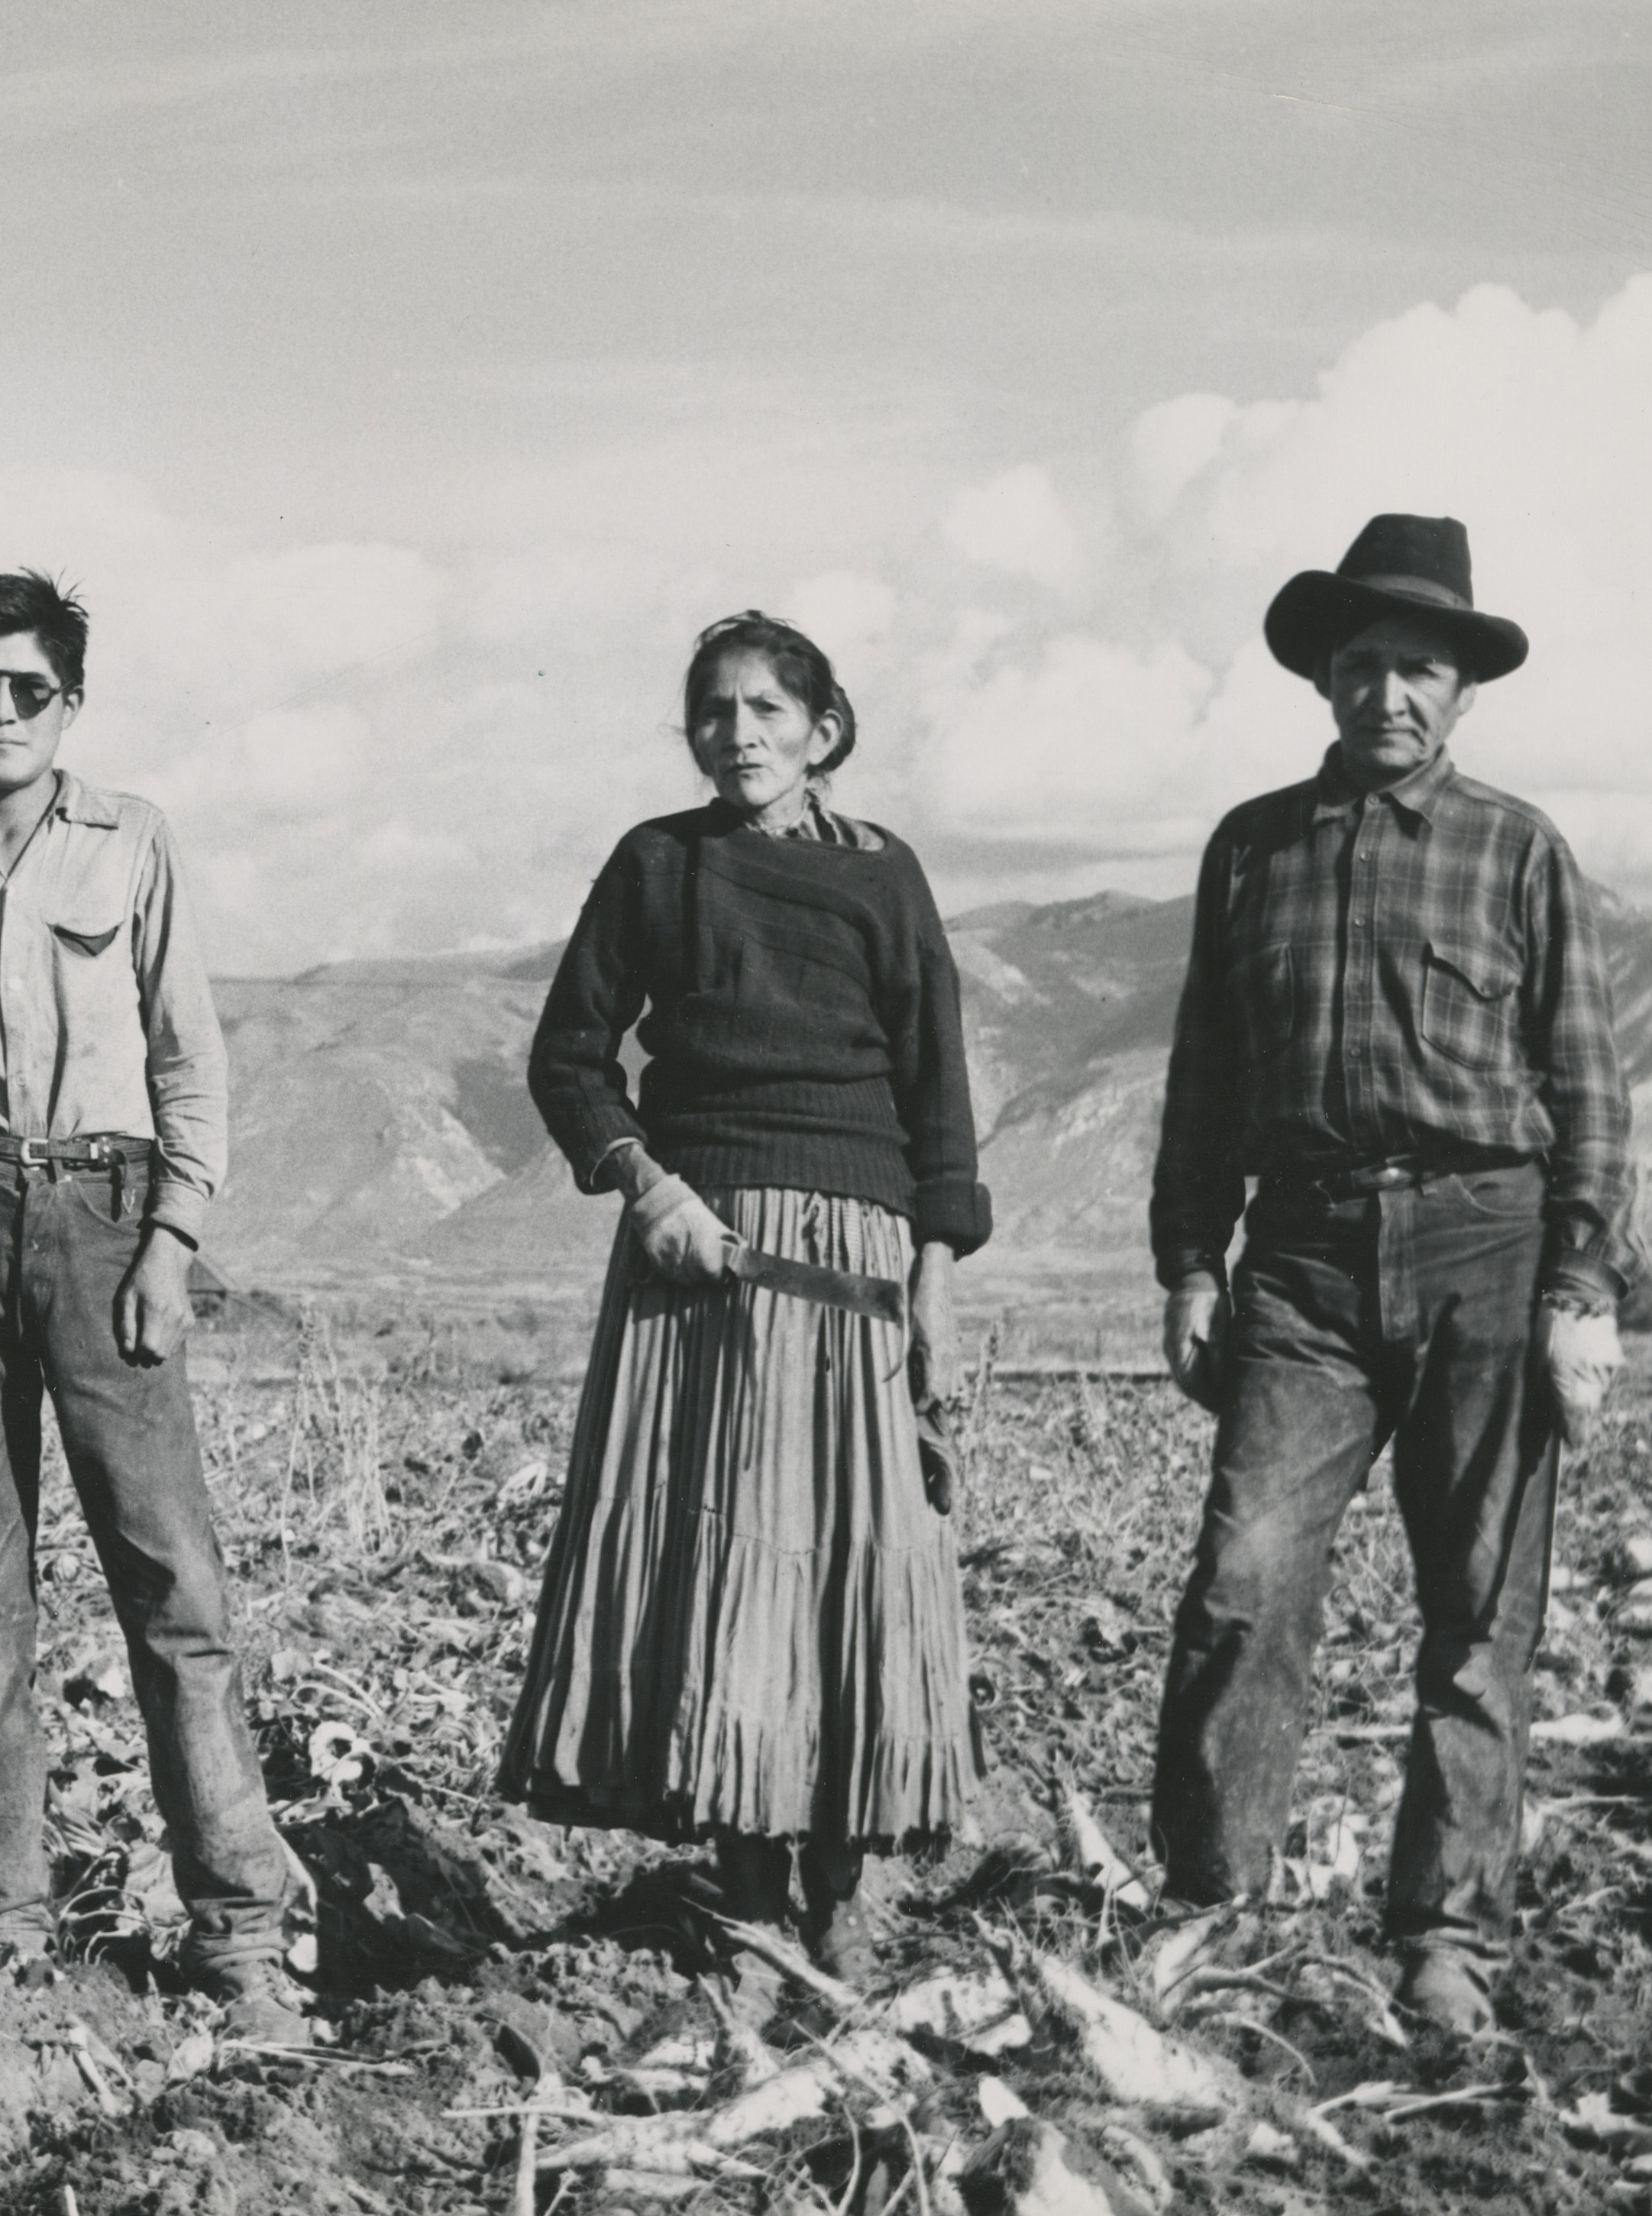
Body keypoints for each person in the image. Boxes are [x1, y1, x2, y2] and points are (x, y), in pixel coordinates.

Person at [1146, 514, 1633, 2034]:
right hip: (1297, 1254)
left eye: (1417, 667)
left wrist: (1582, 1288)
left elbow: (1589, 1082)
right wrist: (1187, 1259)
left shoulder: (1517, 847)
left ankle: (1445, 1942)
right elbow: (1204, 1074)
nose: (1388, 696)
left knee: (1477, 1613)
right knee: (1240, 1582)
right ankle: (1214, 1915)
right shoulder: (1252, 846)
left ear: (1460, 687)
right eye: (1361, 666)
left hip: (1486, 1247)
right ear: (1326, 680)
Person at [0, 571, 302, 2043]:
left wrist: (172, 1237)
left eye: (31, 688)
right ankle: (5, 1918)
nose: (2, 711)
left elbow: (187, 1053)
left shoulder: (133, 839)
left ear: (70, 703)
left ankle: (235, 1927)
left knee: (173, 1586)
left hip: (104, 1221)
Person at [502, 611, 992, 1987]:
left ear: (823, 729)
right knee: (718, 1559)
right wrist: (645, 1185)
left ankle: (842, 1884)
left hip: (854, 1256)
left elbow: (937, 1094)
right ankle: (746, 1880)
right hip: (698, 1252)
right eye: (714, 710)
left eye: (768, 708)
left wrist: (934, 1280)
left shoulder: (886, 880)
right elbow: (569, 1057)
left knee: (845, 1555)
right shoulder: (657, 865)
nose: (739, 733)